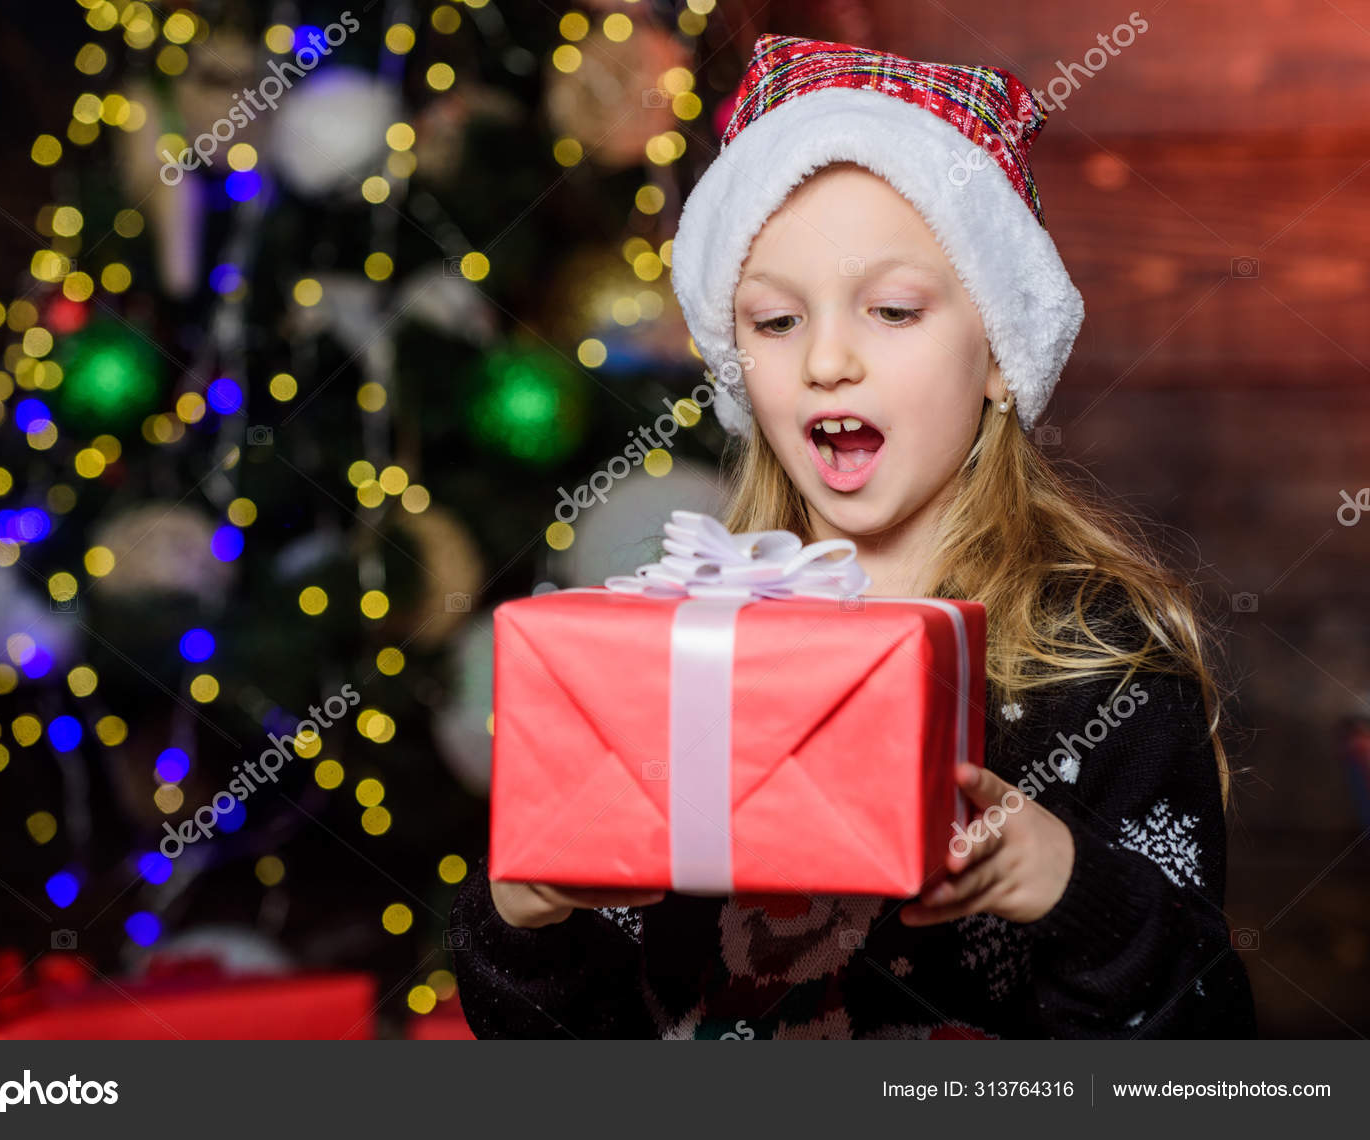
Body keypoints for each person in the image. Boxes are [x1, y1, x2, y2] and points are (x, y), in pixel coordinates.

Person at [449, 36, 1257, 1038]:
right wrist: (520, 920)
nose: (827, 358)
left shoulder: (1093, 661)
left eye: (890, 309)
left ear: (999, 354)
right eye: (777, 321)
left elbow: (1205, 1032)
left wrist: (1069, 886)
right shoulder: (684, 654)